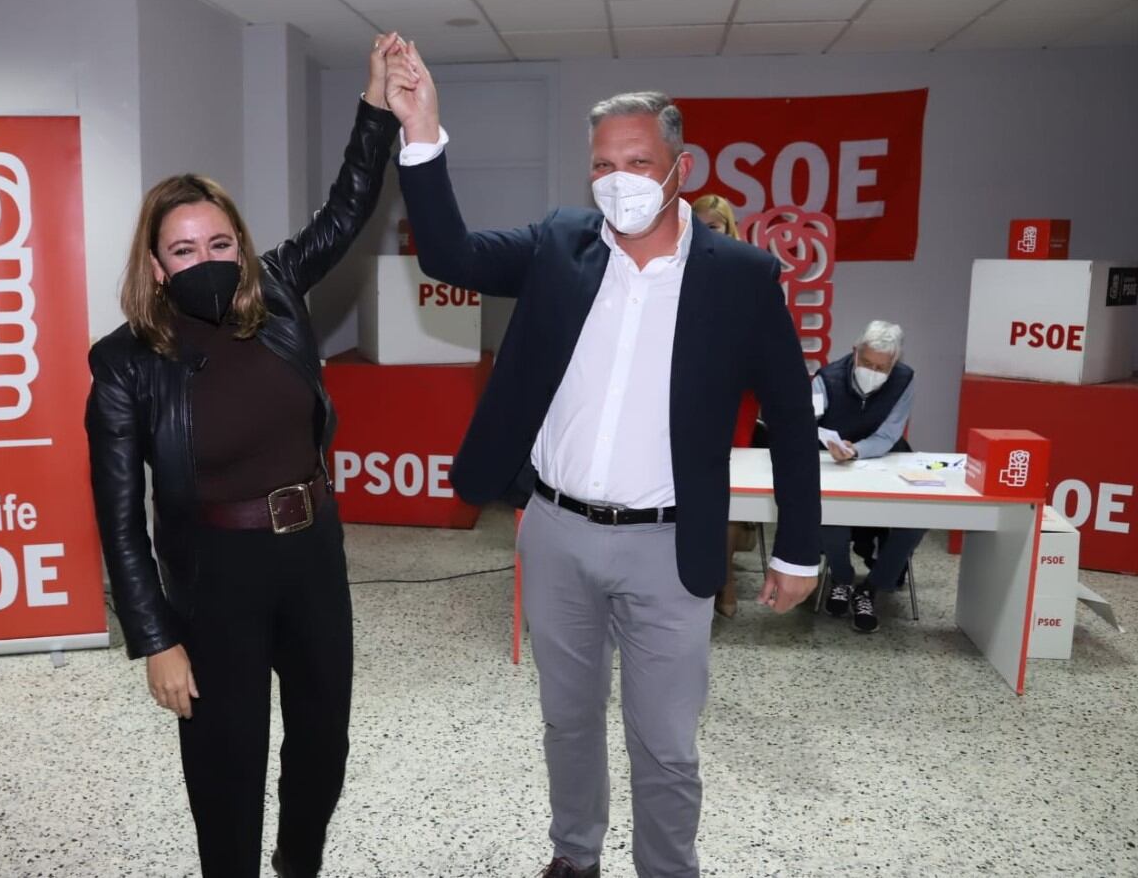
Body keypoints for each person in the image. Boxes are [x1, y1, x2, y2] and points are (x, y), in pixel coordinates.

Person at [384, 48, 821, 878]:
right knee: (567, 720)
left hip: (668, 546)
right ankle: (574, 856)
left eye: (638, 163)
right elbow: (450, 256)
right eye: (603, 166)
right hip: (555, 531)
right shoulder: (561, 243)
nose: (618, 181)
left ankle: (666, 868)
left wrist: (799, 546)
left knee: (665, 742)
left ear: (679, 168)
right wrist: (421, 131)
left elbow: (792, 420)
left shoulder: (741, 276)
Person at [84, 34, 406, 878]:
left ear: (241, 244)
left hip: (310, 558)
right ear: (155, 266)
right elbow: (118, 521)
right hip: (211, 579)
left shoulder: (283, 295)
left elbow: (348, 206)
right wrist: (155, 637)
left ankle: (299, 864)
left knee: (321, 742)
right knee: (226, 767)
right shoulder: (123, 363)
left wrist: (376, 105)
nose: (206, 260)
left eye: (219, 243)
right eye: (184, 250)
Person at [814, 319, 926, 634]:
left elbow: (890, 433)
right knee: (828, 511)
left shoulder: (905, 380)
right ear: (854, 351)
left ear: (894, 364)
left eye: (881, 367)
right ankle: (842, 577)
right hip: (831, 460)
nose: (872, 371)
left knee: (918, 519)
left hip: (885, 458)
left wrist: (857, 451)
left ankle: (873, 586)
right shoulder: (827, 378)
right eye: (866, 362)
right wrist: (832, 446)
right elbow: (808, 423)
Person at [690, 192, 756, 617]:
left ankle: (726, 579)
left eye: (712, 226)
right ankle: (694, 575)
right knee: (689, 486)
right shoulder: (674, 268)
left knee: (728, 491)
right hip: (690, 391)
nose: (703, 233)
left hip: (735, 394)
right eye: (697, 225)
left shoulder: (747, 269)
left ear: (728, 228)